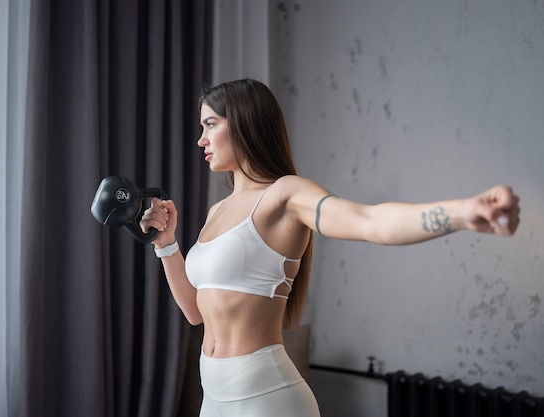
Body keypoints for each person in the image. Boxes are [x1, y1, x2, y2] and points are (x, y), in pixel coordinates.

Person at [139, 78, 520, 417]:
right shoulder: (217, 210)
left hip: (265, 398)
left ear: (243, 123)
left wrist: (463, 213)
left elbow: (369, 221)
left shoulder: (285, 195)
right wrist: (166, 244)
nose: (201, 140)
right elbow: (195, 312)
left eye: (210, 125)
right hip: (214, 398)